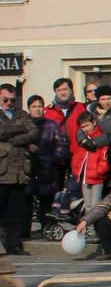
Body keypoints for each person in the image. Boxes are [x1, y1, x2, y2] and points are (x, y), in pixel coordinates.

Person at [0, 85, 38, 256]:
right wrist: (20, 131)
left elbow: (34, 132)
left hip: (20, 171)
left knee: (16, 211)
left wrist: (13, 139)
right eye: (5, 100)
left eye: (12, 100)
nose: (9, 103)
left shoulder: (22, 114)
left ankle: (13, 245)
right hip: (2, 170)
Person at [24, 95, 67, 238]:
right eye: (34, 106)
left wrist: (52, 160)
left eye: (40, 106)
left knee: (46, 203)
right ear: (29, 108)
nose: (37, 109)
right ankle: (24, 232)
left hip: (47, 169)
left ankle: (46, 230)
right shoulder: (23, 125)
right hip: (27, 169)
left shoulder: (52, 125)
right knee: (25, 202)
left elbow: (61, 146)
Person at [43, 78, 86, 193]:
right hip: (58, 155)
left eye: (65, 89)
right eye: (59, 90)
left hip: (77, 153)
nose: (62, 92)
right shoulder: (48, 111)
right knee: (57, 185)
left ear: (71, 90)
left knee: (77, 186)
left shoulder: (80, 108)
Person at [72, 113, 109, 212]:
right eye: (83, 127)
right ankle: (88, 225)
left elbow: (104, 157)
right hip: (85, 176)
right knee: (87, 204)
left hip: (97, 177)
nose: (85, 129)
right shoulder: (83, 140)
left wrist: (99, 171)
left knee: (95, 203)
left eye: (87, 125)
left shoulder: (100, 137)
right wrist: (76, 171)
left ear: (94, 123)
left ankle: (95, 225)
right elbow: (77, 156)